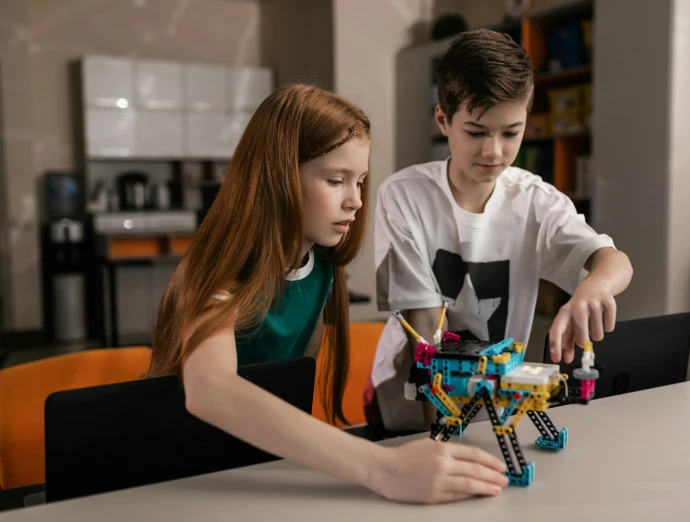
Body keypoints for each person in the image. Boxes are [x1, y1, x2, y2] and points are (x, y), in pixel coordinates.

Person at [147, 83, 510, 504]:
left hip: (261, 472)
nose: (355, 201)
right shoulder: (214, 271)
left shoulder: (321, 271)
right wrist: (384, 467)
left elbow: (290, 392)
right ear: (277, 177)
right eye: (336, 180)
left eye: (359, 181)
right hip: (185, 482)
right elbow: (210, 389)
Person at [366, 29, 634, 434]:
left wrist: (595, 285)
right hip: (408, 404)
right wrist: (438, 439)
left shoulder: (535, 200)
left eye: (511, 132)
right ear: (443, 119)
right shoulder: (404, 196)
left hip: (493, 402)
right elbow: (423, 334)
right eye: (476, 132)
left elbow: (613, 261)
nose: (494, 151)